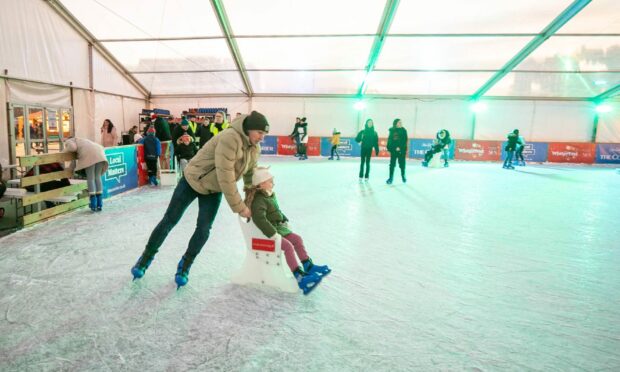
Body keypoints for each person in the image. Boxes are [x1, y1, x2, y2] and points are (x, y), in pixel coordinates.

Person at [131, 111, 270, 288]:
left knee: (204, 229)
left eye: (264, 134)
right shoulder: (230, 138)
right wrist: (240, 207)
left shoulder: (254, 148)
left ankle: (185, 266)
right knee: (170, 220)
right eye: (260, 133)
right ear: (249, 129)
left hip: (213, 189)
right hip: (192, 180)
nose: (262, 138)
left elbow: (249, 175)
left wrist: (250, 200)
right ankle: (145, 259)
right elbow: (225, 175)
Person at [244, 166, 330, 295]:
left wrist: (284, 219)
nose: (273, 183)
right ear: (261, 184)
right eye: (270, 181)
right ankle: (300, 277)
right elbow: (260, 220)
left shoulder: (269, 195)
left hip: (276, 229)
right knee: (288, 246)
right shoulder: (259, 200)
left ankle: (308, 265)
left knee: (297, 239)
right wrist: (273, 234)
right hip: (265, 234)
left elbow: (276, 211)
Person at [63, 137, 109, 211]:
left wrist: (64, 149)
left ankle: (93, 202)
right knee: (97, 177)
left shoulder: (70, 140)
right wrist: (70, 169)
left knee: (90, 178)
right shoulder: (82, 140)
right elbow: (74, 162)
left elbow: (72, 147)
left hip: (89, 156)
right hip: (100, 154)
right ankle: (99, 202)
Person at [386, 119, 408, 184]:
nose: (400, 123)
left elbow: (405, 140)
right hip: (394, 150)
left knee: (402, 164)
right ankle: (390, 178)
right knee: (392, 165)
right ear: (395, 123)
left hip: (402, 150)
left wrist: (400, 148)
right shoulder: (392, 130)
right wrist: (390, 148)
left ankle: (403, 176)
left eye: (401, 122)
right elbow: (390, 140)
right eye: (399, 122)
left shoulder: (404, 131)